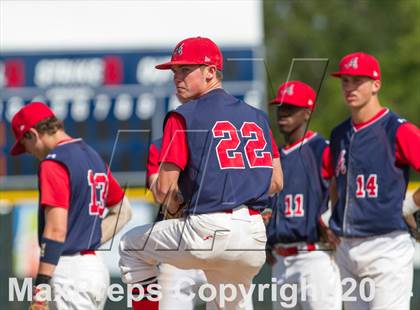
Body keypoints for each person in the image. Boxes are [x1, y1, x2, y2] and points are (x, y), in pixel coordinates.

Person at [119, 36, 283, 310]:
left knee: (130, 246)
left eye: (185, 70)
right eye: (175, 72)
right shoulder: (257, 116)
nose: (177, 77)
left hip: (208, 230)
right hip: (253, 236)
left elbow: (163, 190)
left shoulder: (184, 116)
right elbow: (277, 182)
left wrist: (177, 200)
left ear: (210, 72)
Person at [10, 102, 132, 310]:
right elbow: (124, 210)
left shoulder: (54, 163)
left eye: (25, 144)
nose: (28, 152)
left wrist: (41, 288)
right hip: (94, 269)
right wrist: (87, 239)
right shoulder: (92, 155)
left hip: (69, 271)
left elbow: (56, 230)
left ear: (33, 134)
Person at [326, 52, 420, 309]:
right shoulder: (339, 134)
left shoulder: (397, 129)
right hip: (346, 247)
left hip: (386, 246)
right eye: (345, 80)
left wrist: (411, 204)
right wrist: (334, 220)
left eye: (358, 80)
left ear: (376, 85)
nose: (350, 87)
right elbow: (337, 181)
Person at [266, 81, 341, 310]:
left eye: (291, 107)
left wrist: (331, 219)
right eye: (280, 106)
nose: (283, 112)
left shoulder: (322, 149)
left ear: (307, 112)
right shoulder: (273, 158)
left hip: (315, 256)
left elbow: (346, 185)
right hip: (280, 260)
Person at [146, 138, 208, 310]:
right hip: (178, 251)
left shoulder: (218, 142)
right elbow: (160, 193)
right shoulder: (161, 145)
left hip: (218, 245)